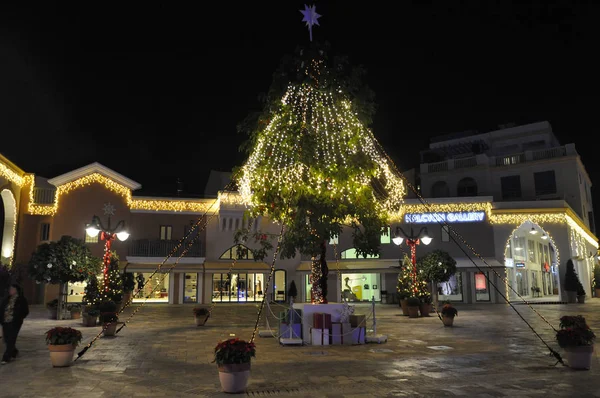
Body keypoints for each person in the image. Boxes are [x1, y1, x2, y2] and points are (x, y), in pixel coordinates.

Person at [0, 283, 29, 364]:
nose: (11, 290)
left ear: (16, 290)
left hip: (15, 322)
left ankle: (6, 357)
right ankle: (14, 351)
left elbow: (25, 311)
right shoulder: (6, 299)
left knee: (11, 339)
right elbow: (2, 308)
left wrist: (19, 317)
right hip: (5, 322)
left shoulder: (21, 299)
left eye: (12, 289)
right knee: (6, 339)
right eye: (10, 289)